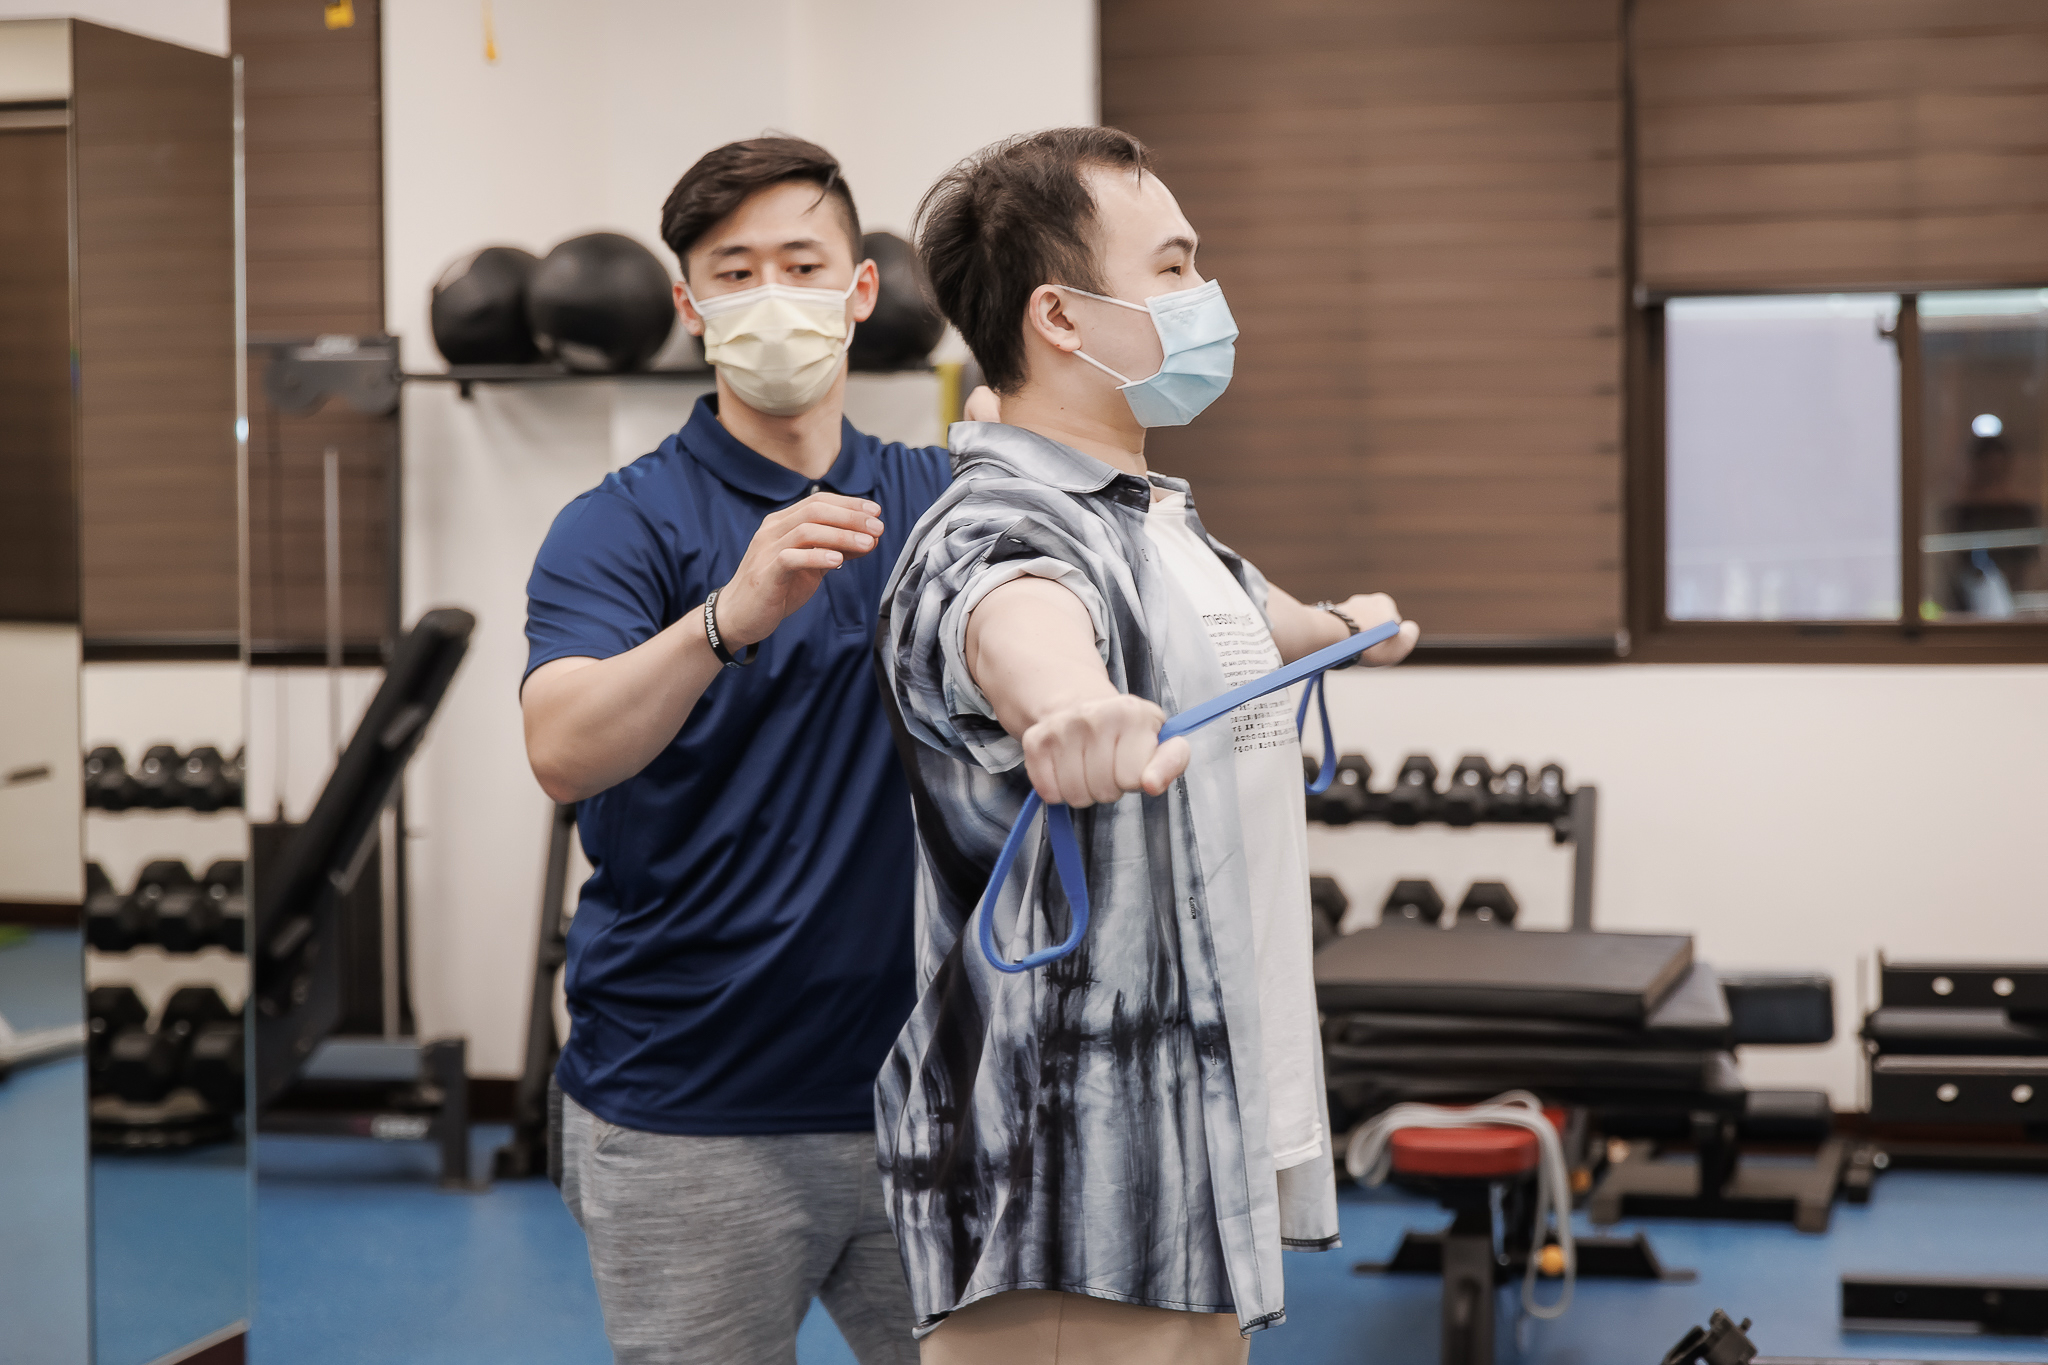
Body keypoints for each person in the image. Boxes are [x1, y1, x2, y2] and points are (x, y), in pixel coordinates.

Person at [874, 127, 1420, 1363]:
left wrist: (1349, 626)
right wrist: (1070, 706)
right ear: (1060, 317)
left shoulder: (1153, 520)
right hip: (1072, 1191)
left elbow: (1254, 619)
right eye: (1171, 268)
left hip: (1190, 1148)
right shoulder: (995, 525)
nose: (1202, 296)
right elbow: (1013, 618)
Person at [521, 137, 986, 1365]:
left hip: (928, 1092)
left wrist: (1310, 624)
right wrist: (726, 617)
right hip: (688, 1105)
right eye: (734, 272)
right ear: (689, 306)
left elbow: (1137, 583)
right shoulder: (619, 523)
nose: (771, 294)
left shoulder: (941, 500)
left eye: (802, 263)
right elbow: (562, 749)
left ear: (861, 289)